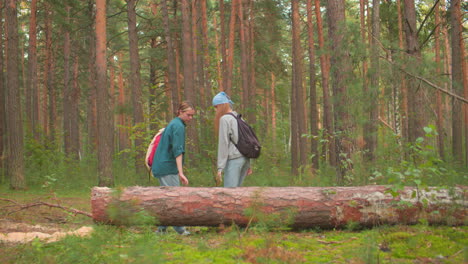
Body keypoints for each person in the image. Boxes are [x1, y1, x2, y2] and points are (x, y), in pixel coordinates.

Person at [152, 101, 195, 235]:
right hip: (166, 167)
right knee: (174, 198)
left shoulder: (175, 124)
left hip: (163, 165)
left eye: (192, 116)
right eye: (188, 115)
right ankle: (179, 229)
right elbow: (178, 150)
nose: (190, 118)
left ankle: (161, 229)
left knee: (166, 197)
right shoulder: (178, 126)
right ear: (180, 113)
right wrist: (180, 172)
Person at [212, 92, 252, 187]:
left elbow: (223, 144)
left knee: (230, 195)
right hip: (245, 159)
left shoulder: (225, 119)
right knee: (238, 195)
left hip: (234, 160)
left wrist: (220, 168)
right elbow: (247, 141)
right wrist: (249, 164)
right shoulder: (239, 118)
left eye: (216, 107)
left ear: (221, 106)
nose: (215, 110)